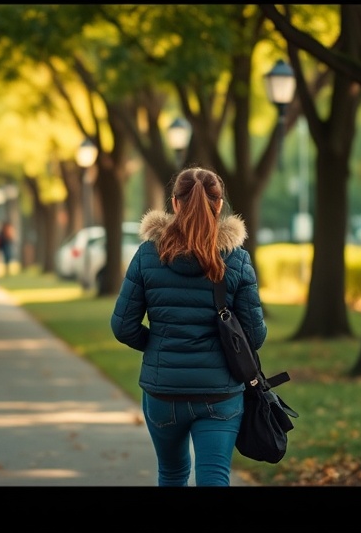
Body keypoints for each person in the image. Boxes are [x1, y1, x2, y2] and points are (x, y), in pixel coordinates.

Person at [110, 167, 267, 487]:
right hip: (219, 392)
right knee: (214, 478)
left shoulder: (147, 255)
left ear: (175, 204)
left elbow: (123, 326)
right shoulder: (235, 259)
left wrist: (158, 344)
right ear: (219, 204)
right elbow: (255, 336)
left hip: (162, 390)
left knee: (171, 474)